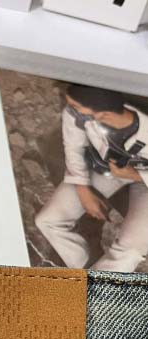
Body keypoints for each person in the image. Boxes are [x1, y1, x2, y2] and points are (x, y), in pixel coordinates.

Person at [35, 84, 148, 272]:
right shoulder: (78, 115)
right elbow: (73, 148)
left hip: (143, 181)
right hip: (108, 170)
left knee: (130, 249)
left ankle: (92, 285)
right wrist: (82, 189)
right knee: (48, 220)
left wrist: (135, 175)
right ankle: (89, 271)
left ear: (105, 115)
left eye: (76, 107)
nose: (70, 109)